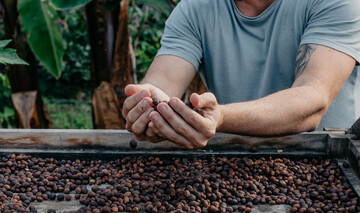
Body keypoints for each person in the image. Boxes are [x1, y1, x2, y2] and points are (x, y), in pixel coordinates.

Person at [122, 0, 360, 148]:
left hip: (328, 163)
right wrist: (148, 106)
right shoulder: (193, 10)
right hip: (234, 163)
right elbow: (162, 83)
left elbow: (313, 100)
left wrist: (222, 117)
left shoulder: (335, 2)